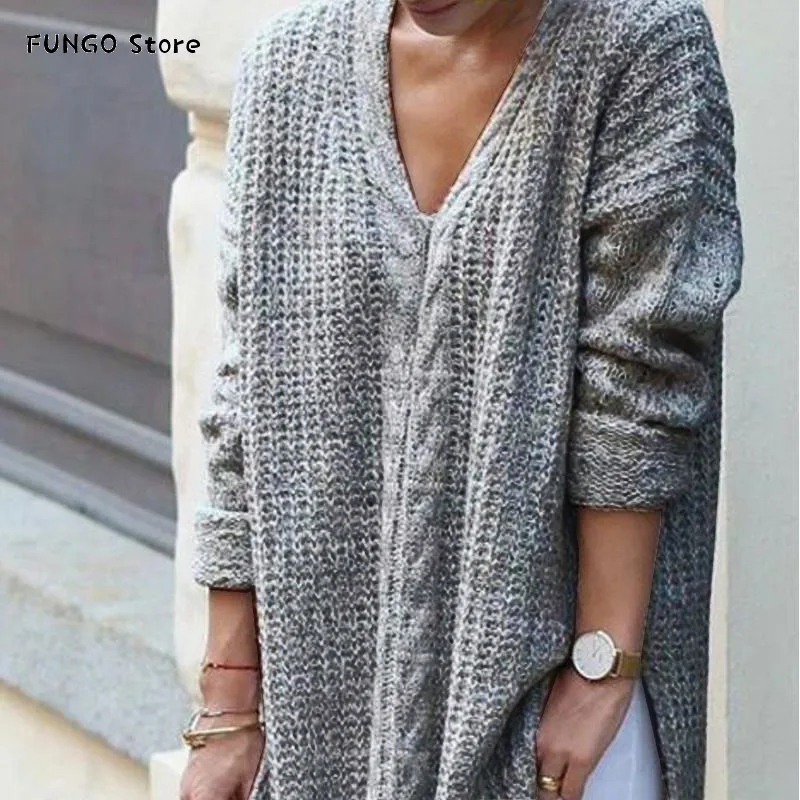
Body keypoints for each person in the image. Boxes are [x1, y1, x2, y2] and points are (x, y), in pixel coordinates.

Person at [178, 0, 744, 796]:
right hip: (319, 711)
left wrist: (602, 664)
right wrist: (229, 705)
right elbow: (246, 406)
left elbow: (638, 379)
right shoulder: (285, 68)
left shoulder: (640, 47)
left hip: (567, 694)